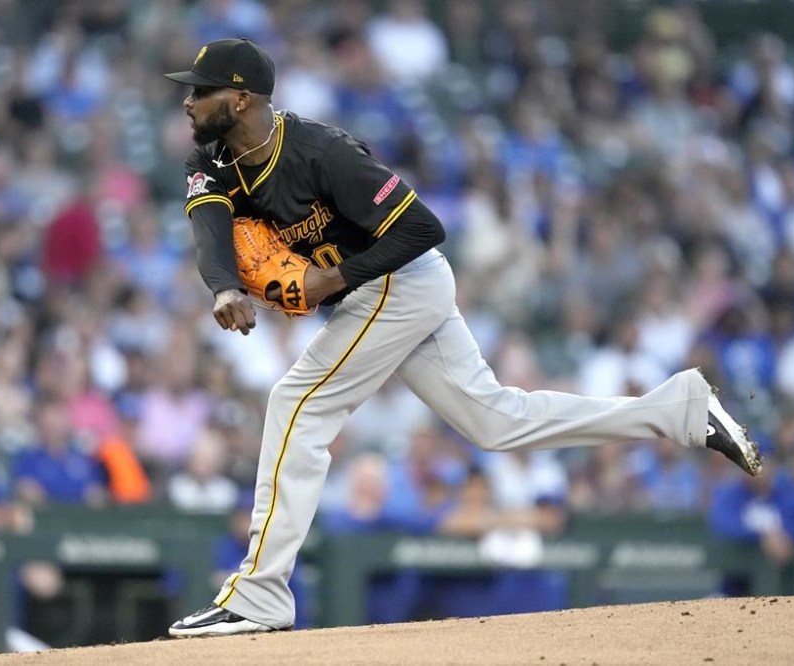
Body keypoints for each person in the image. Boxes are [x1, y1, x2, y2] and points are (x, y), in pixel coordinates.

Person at [164, 38, 762, 637]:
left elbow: (425, 226)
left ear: (241, 99)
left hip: (401, 282)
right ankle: (681, 410)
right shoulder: (209, 159)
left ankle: (261, 595)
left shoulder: (323, 152)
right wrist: (224, 288)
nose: (189, 101)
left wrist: (333, 279)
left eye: (201, 90)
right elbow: (212, 231)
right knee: (498, 422)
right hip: (383, 293)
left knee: (295, 404)